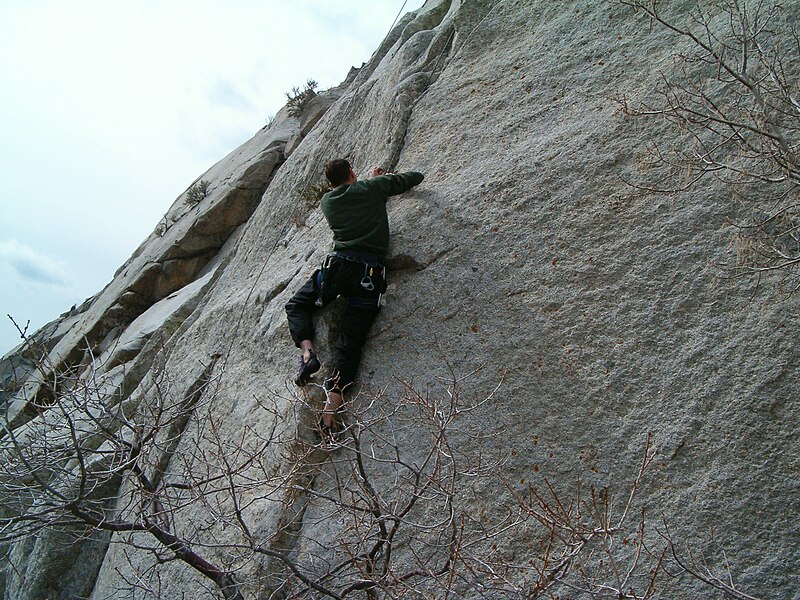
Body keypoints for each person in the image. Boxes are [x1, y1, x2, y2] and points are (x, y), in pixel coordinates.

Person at [285, 158, 424, 435]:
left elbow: (351, 195)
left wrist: (369, 184)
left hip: (336, 271)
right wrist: (378, 180)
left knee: (297, 304)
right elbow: (415, 177)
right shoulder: (372, 188)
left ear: (329, 184)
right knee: (349, 343)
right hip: (368, 276)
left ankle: (307, 353)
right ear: (352, 173)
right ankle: (330, 409)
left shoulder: (328, 202)